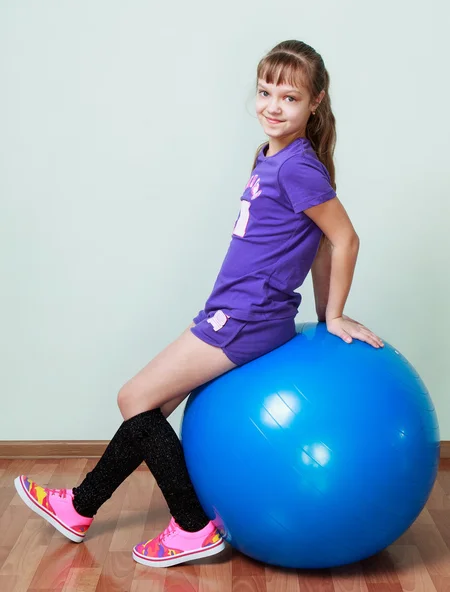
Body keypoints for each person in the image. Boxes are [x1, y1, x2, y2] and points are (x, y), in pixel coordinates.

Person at [14, 39, 384, 568]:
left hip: (245, 318)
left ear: (316, 102)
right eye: (265, 92)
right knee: (153, 408)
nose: (273, 106)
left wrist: (334, 314)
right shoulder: (270, 156)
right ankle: (79, 506)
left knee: (134, 398)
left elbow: (342, 238)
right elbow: (318, 241)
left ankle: (191, 527)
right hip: (230, 310)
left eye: (290, 97)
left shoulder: (298, 167)